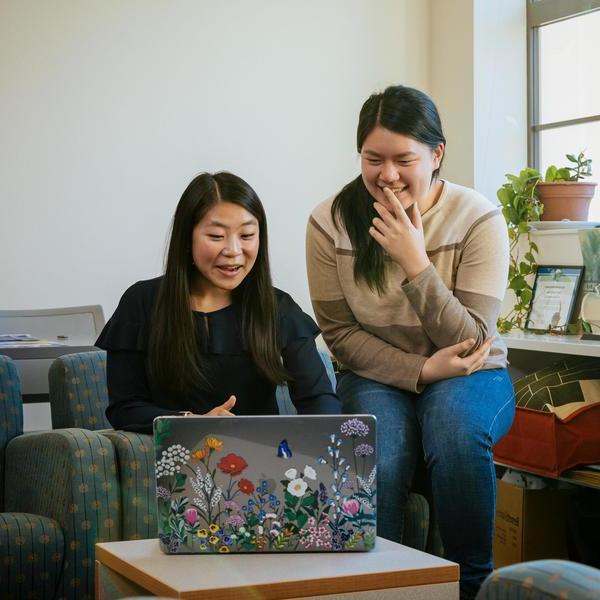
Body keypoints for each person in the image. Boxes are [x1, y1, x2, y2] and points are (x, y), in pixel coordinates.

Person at [306, 85, 514, 599]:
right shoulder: (328, 221)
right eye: (373, 159)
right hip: (377, 375)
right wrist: (421, 371)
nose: (387, 175)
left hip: (474, 374)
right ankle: (381, 588)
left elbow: (471, 341)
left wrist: (415, 261)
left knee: (455, 430)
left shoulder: (478, 218)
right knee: (384, 450)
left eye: (404, 159)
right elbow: (340, 337)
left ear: (437, 153)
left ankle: (472, 586)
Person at [97, 171, 339, 433]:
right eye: (216, 236)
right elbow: (125, 407)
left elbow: (318, 400)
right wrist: (193, 423)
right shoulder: (141, 303)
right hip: (172, 460)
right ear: (186, 238)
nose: (233, 251)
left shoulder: (277, 307)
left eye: (246, 236)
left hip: (265, 464)